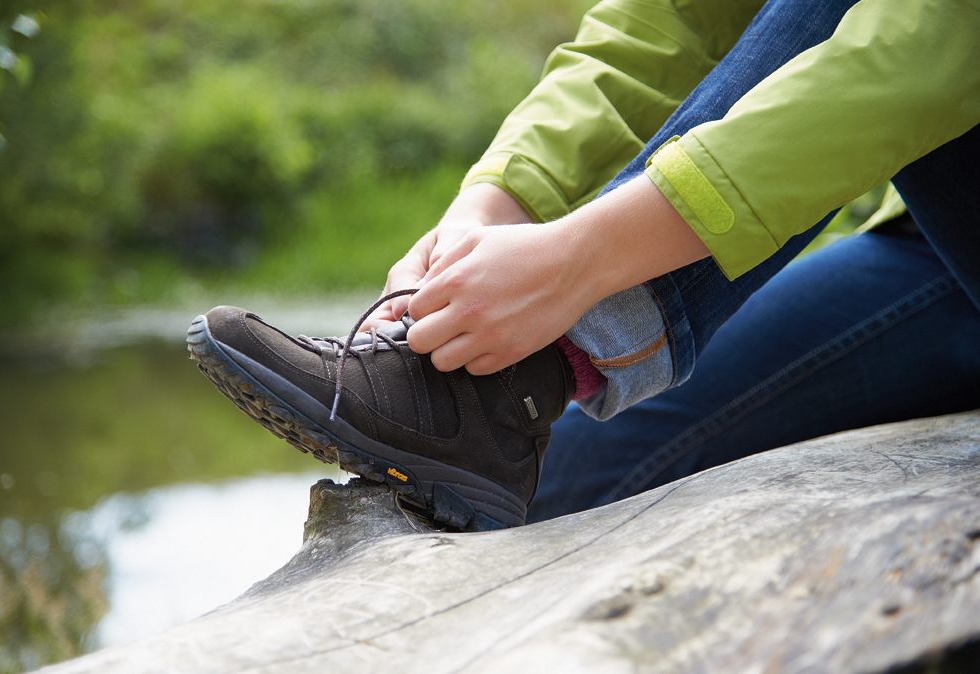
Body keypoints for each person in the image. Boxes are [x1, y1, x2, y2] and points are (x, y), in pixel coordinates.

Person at [188, 0, 980, 530]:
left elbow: (933, 48)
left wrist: (579, 261)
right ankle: (504, 399)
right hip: (931, 243)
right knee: (564, 484)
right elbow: (668, 24)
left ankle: (526, 370)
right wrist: (490, 208)